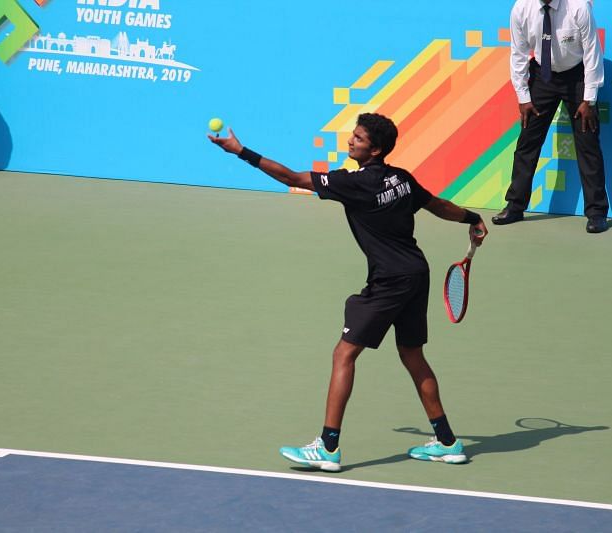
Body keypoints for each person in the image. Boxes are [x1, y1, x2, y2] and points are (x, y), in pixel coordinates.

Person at [209, 113, 488, 471]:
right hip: (417, 274)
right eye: (353, 135)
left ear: (375, 149)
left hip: (388, 281)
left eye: (358, 138)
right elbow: (436, 205)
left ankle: (327, 448)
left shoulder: (354, 184)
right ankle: (447, 442)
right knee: (412, 355)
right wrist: (471, 218)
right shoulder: (401, 179)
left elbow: (291, 177)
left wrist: (239, 151)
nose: (351, 141)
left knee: (344, 354)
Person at [494, 0, 608, 233]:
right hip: (542, 75)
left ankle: (596, 213)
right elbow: (518, 52)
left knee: (588, 143)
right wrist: (523, 96)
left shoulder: (578, 7)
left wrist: (589, 99)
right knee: (527, 142)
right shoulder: (521, 8)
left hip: (577, 76)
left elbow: (592, 52)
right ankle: (515, 206)